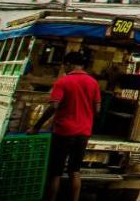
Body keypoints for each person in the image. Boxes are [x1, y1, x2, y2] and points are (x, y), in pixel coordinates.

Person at [31, 50, 101, 201]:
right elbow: (97, 109)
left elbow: (54, 106)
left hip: (63, 131)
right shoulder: (93, 82)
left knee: (55, 172)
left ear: (68, 64)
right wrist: (86, 120)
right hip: (83, 133)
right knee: (75, 170)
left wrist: (37, 126)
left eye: (65, 65)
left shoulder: (63, 81)